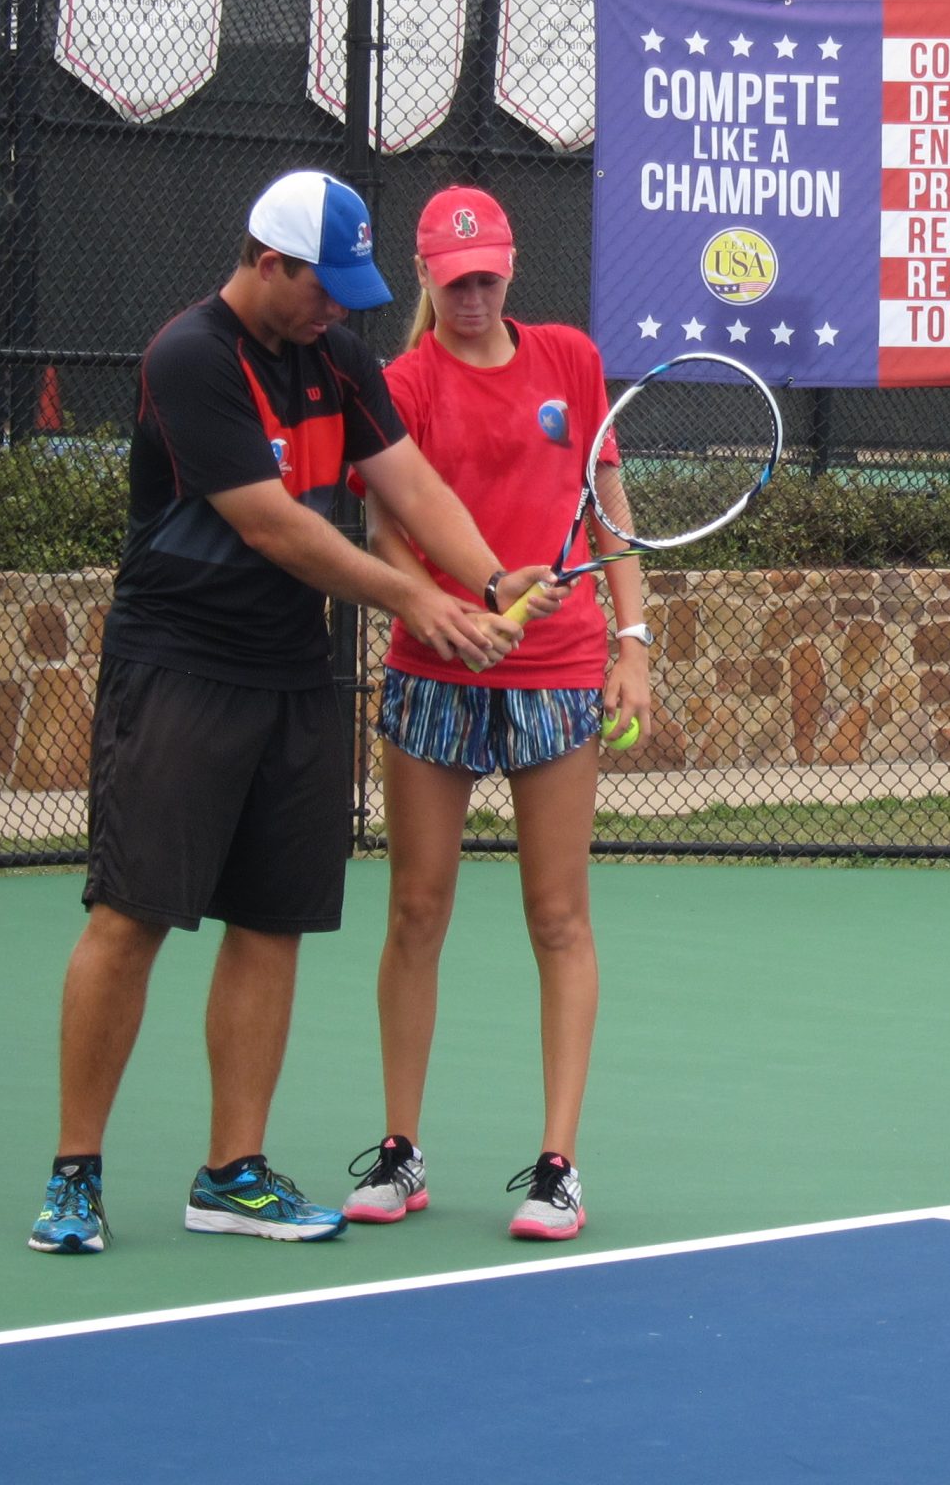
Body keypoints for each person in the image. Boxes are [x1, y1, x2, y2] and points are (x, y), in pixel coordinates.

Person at [28, 171, 564, 1255]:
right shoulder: (190, 358)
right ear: (268, 264)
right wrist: (418, 599)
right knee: (130, 917)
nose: (337, 312)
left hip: (292, 678)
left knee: (271, 921)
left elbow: (409, 486)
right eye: (323, 289)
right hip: (179, 670)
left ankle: (232, 1174)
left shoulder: (339, 360)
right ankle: (74, 1175)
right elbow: (275, 527)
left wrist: (488, 576)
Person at [340, 185, 650, 1243]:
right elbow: (388, 534)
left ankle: (557, 1167)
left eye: (486, 278)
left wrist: (632, 644)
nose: (471, 297)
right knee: (415, 913)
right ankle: (400, 1150)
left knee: (558, 918)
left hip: (557, 680)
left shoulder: (571, 359)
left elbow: (609, 511)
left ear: (510, 268)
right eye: (453, 280)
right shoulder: (401, 385)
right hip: (434, 674)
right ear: (425, 278)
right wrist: (454, 612)